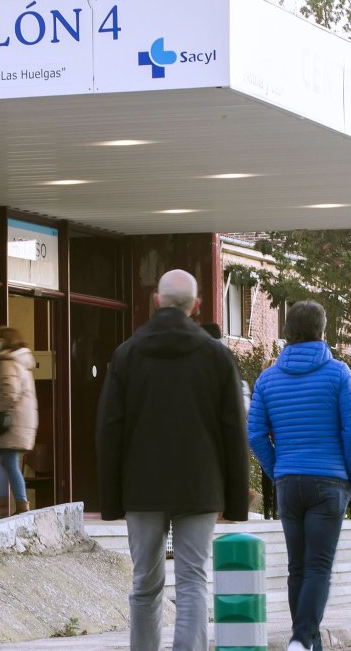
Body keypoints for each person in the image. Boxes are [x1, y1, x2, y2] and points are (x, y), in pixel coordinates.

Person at [98, 270, 249, 651]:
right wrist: (234, 500)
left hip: (142, 487)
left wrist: (111, 498)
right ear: (196, 306)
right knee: (194, 581)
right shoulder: (217, 356)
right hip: (200, 487)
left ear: (156, 301)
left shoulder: (127, 354)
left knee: (144, 584)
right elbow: (234, 429)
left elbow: (109, 429)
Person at [248, 300, 351, 651]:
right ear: (322, 331)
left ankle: (308, 643)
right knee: (318, 566)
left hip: (289, 482)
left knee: (297, 567)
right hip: (330, 481)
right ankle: (300, 639)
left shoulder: (267, 379)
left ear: (286, 333)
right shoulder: (339, 373)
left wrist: (277, 469)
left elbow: (255, 434)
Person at [0, 328, 39, 519]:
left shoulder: (8, 362)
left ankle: (0, 508)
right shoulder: (20, 361)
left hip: (7, 422)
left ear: (6, 341)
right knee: (8, 462)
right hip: (17, 421)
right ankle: (21, 504)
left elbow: (9, 392)